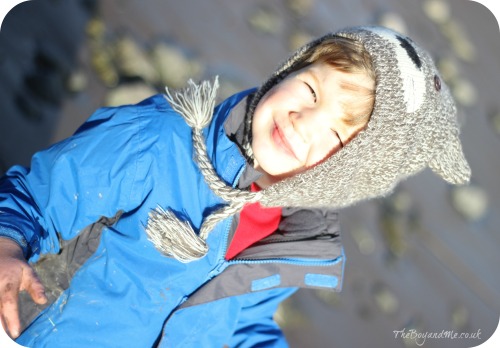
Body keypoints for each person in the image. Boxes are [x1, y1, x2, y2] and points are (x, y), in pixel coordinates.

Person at [0, 26, 470, 347]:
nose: (303, 122)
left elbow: (243, 319)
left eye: (334, 137)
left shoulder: (293, 241)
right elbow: (37, 200)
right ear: (287, 71)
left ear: (344, 181)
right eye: (309, 90)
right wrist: (7, 245)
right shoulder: (160, 145)